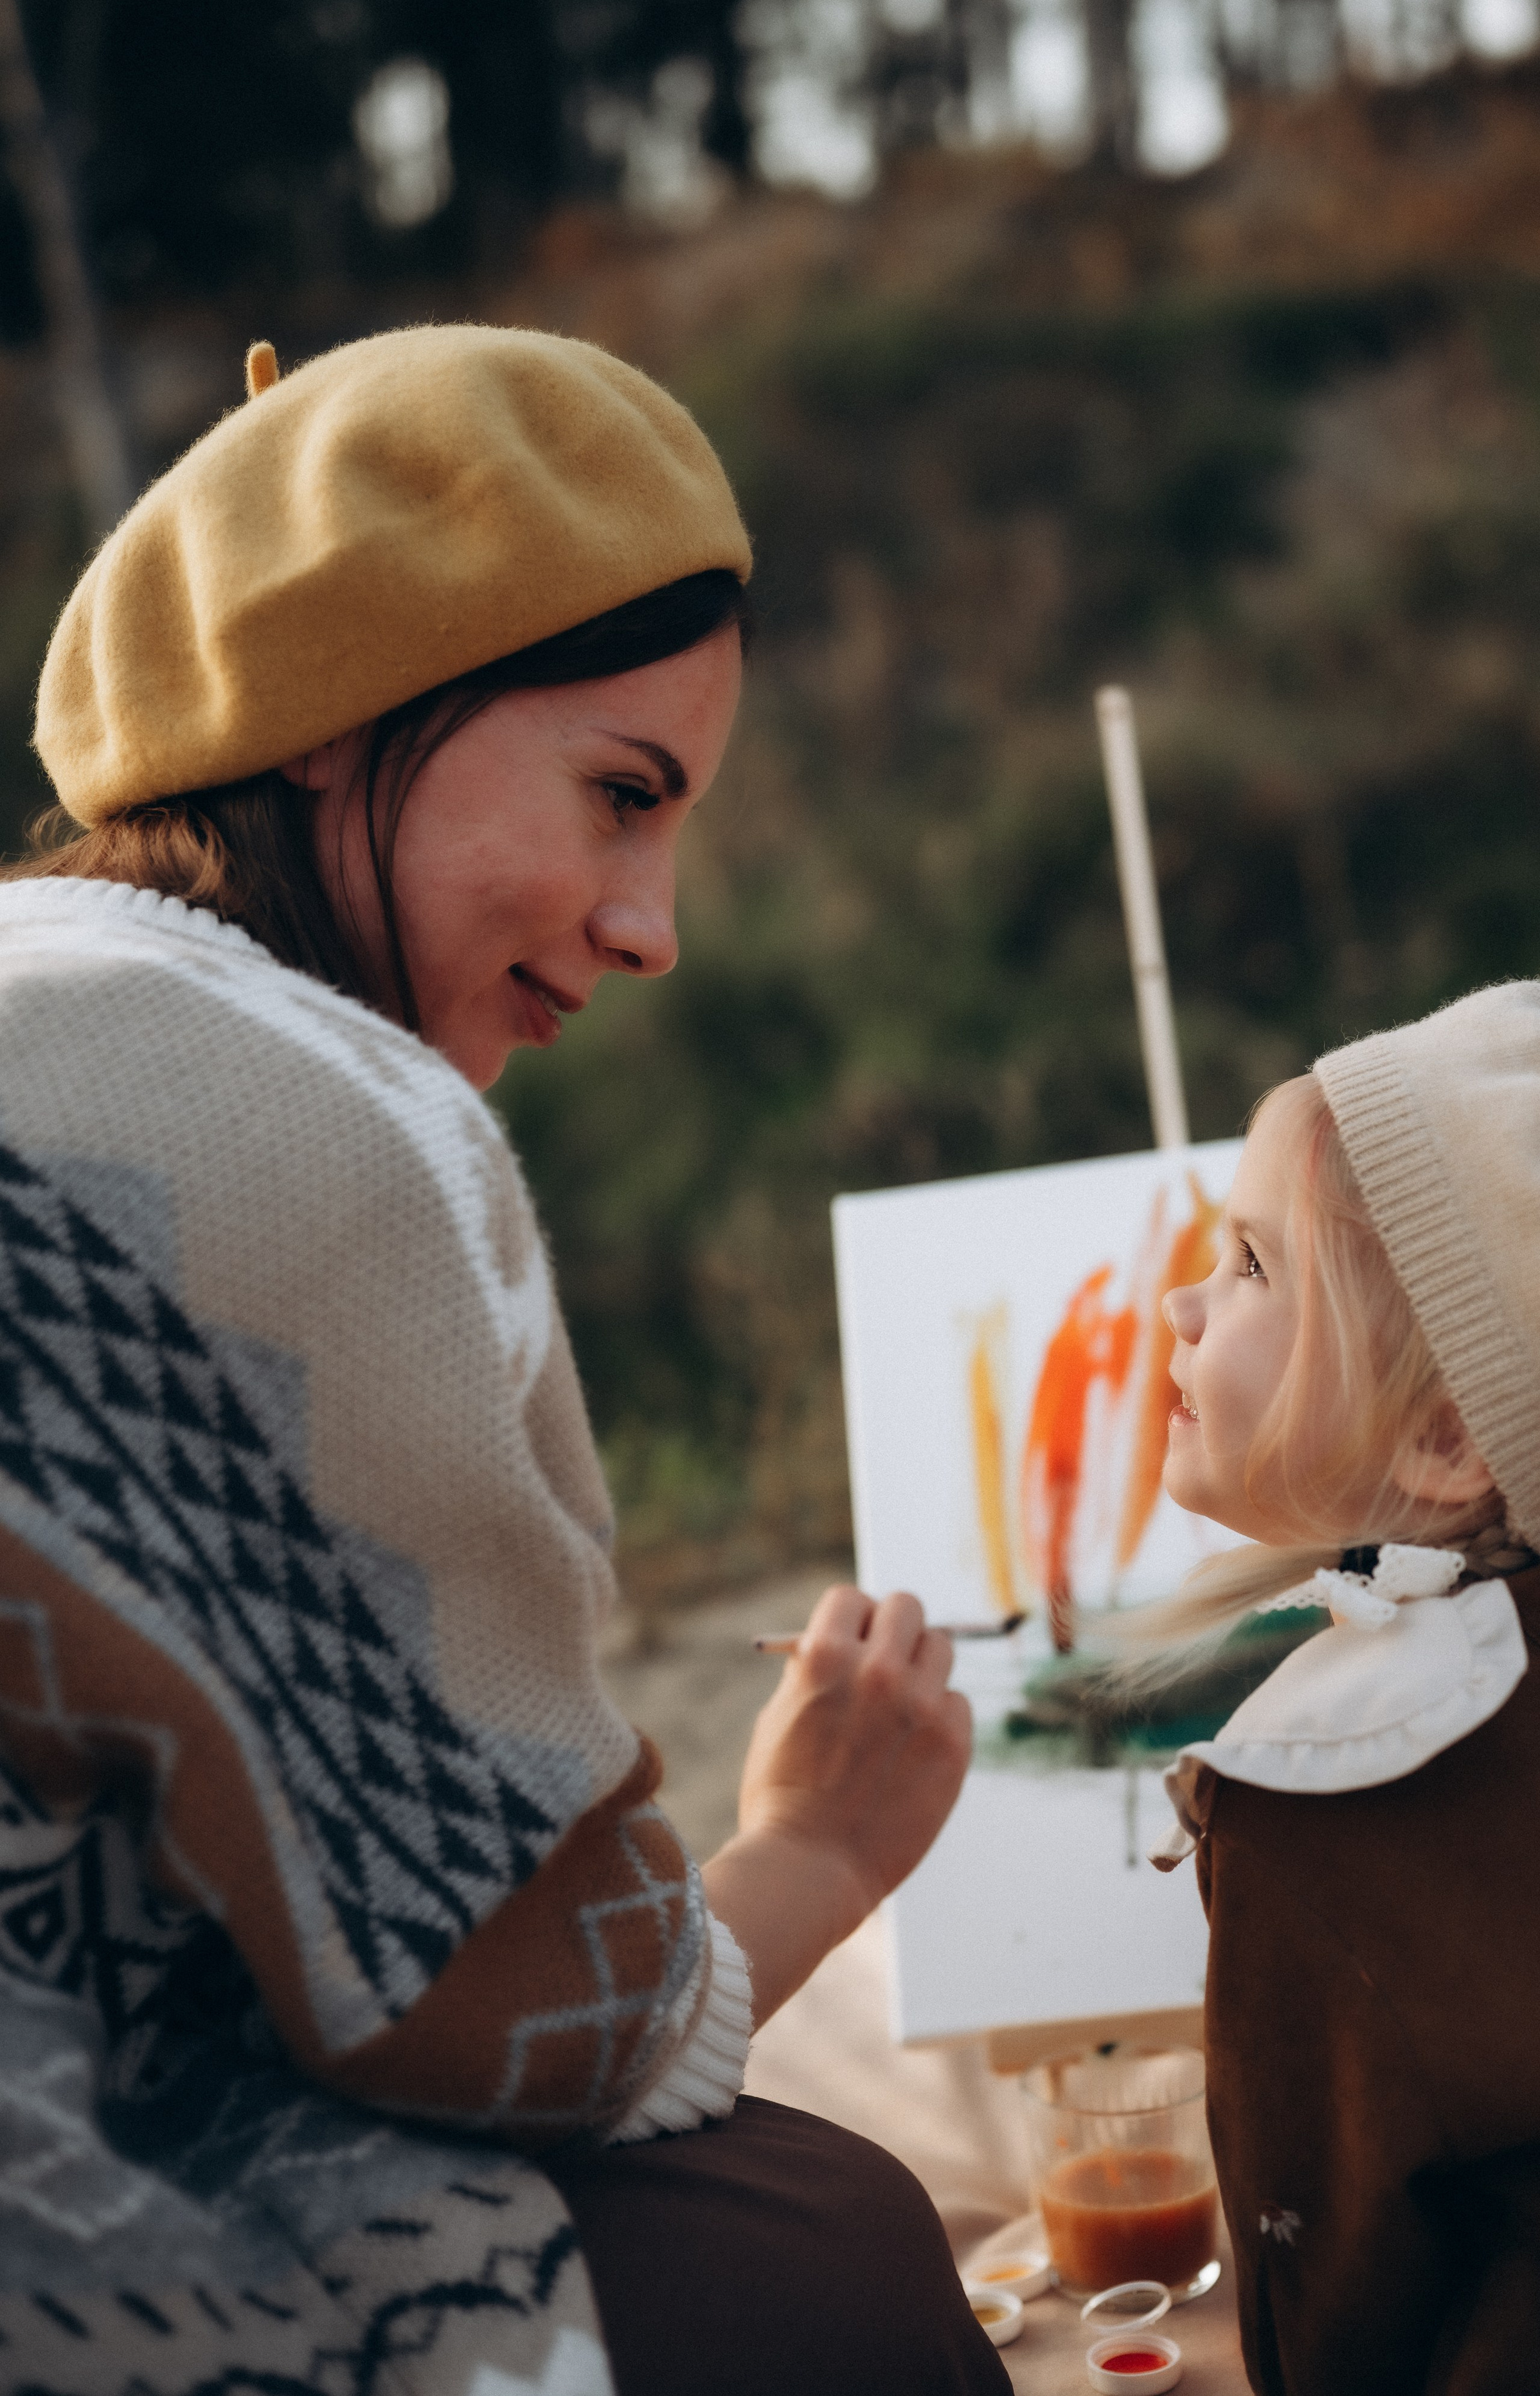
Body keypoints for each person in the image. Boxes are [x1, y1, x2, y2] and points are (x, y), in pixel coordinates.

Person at [0, 326, 1004, 2396]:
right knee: (829, 2252)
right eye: (620, 797)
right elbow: (530, 2021)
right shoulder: (288, 1110)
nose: (654, 926)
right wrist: (816, 1846)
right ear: (333, 708)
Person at [1138, 978, 1540, 2395]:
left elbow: (1323, 2305)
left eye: (1247, 1265)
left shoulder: (1331, 1777)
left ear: (1439, 1438)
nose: (1180, 1299)